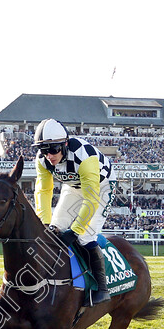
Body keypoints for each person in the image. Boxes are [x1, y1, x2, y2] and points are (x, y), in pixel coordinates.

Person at [33, 118, 117, 304]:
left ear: (64, 144)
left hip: (101, 188)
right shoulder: (42, 160)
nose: (49, 155)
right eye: (43, 150)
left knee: (84, 236)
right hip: (73, 187)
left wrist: (76, 229)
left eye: (53, 149)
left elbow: (91, 198)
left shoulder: (83, 155)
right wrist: (45, 223)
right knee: (54, 230)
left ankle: (102, 289)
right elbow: (43, 191)